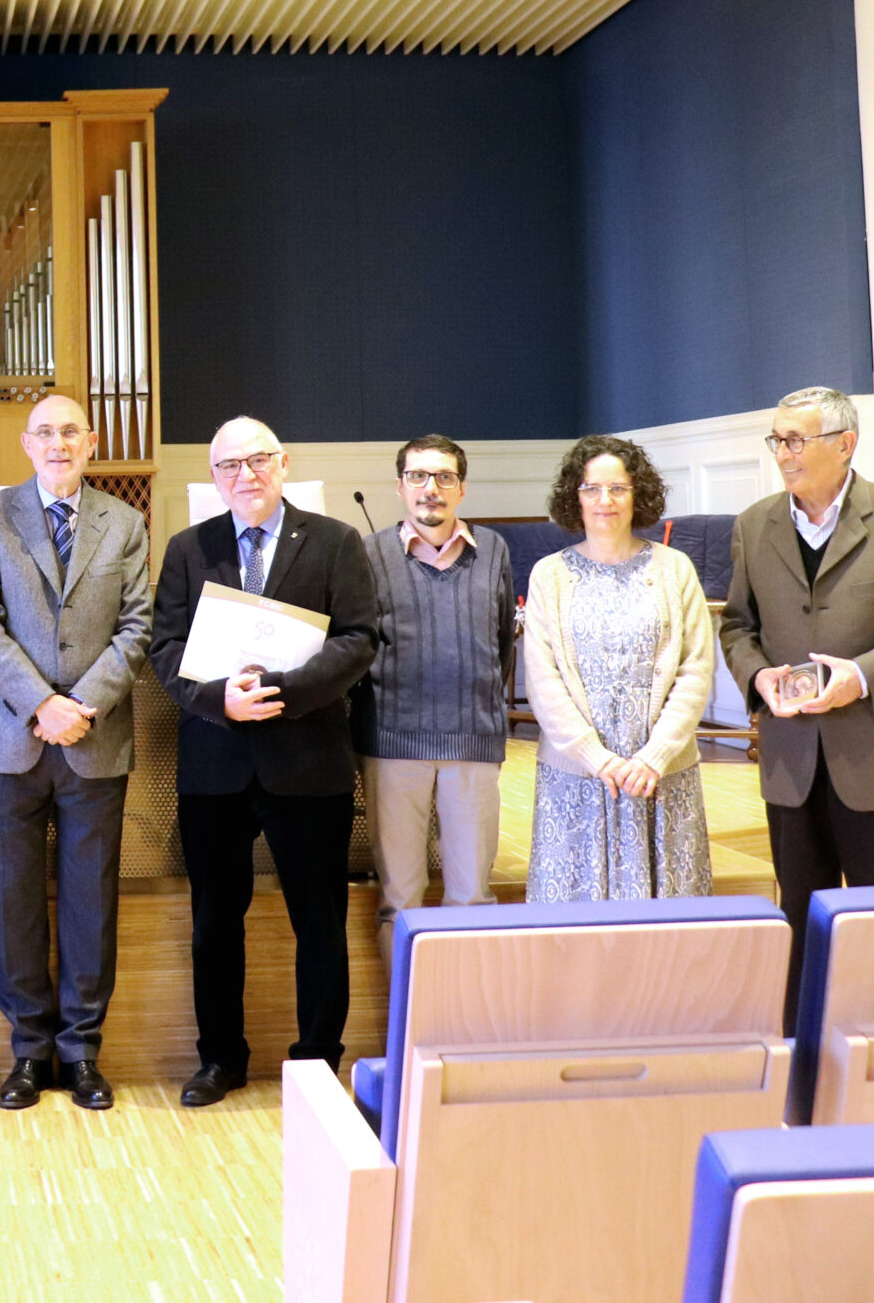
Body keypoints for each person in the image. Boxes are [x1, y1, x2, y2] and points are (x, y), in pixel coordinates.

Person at [718, 386, 874, 1018]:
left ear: (845, 444)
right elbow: (738, 627)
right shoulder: (754, 526)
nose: (784, 453)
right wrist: (759, 679)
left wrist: (860, 676)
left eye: (796, 440)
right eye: (777, 439)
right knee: (801, 925)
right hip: (791, 763)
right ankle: (802, 1057)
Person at [150, 417, 378, 1107]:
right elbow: (164, 649)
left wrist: (278, 691)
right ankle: (221, 1058)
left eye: (256, 461)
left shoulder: (335, 540)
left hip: (306, 759)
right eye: (228, 466)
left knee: (319, 921)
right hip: (215, 764)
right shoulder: (190, 548)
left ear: (282, 464)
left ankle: (317, 1058)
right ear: (214, 477)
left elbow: (360, 639)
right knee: (214, 924)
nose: (244, 475)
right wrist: (223, 700)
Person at [0, 392, 151, 1112]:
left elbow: (137, 628)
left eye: (71, 430)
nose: (59, 442)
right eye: (46, 432)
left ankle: (81, 1050)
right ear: (26, 443)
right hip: (9, 738)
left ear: (91, 441)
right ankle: (29, 1051)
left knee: (89, 900)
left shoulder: (126, 522)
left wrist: (80, 706)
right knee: (13, 902)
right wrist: (41, 703)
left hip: (94, 741)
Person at [523, 435, 718, 902]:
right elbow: (543, 678)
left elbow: (696, 669)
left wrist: (653, 758)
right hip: (577, 776)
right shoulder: (549, 575)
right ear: (575, 497)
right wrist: (597, 759)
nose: (604, 501)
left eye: (618, 488)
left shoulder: (675, 569)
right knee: (574, 931)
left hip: (660, 776)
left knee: (667, 935)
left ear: (638, 494)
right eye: (591, 489)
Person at [357, 434, 518, 968]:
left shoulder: (493, 550)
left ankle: (463, 1026)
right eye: (419, 477)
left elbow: (498, 641)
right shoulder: (372, 553)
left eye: (444, 477)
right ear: (400, 486)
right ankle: (407, 1033)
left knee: (472, 897)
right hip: (393, 743)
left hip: (472, 742)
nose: (432, 489)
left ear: (462, 488)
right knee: (398, 900)